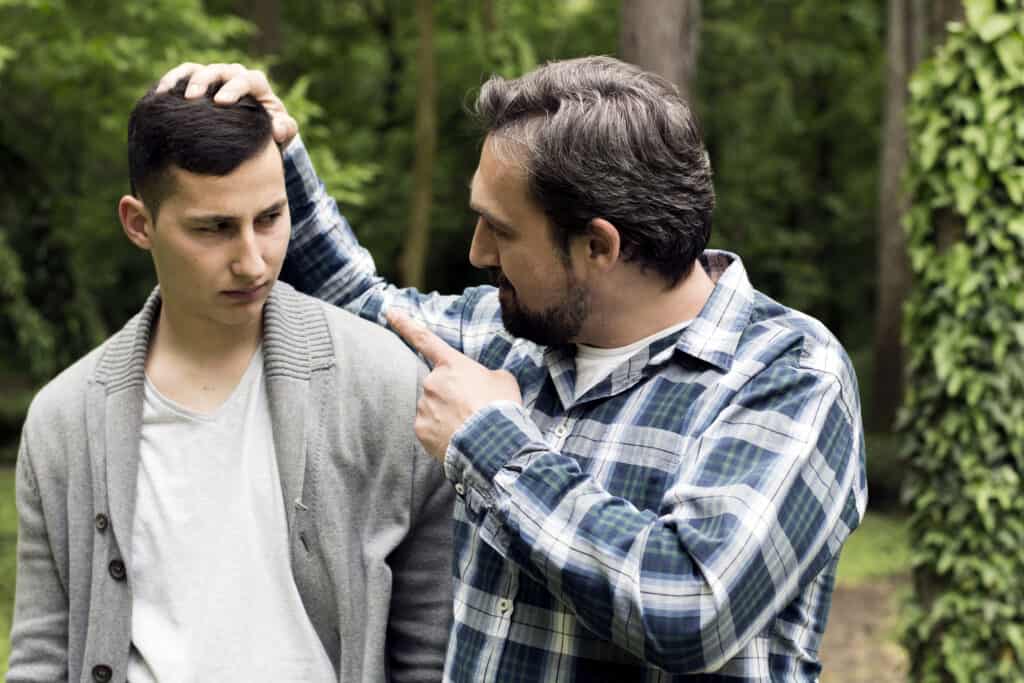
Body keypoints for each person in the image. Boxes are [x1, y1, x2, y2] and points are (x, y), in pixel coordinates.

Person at [169, 55, 868, 682]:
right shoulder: (507, 333)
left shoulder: (787, 372)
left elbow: (689, 604)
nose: (476, 251)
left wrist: (493, 444)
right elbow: (357, 308)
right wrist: (280, 157)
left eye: (500, 228)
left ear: (597, 245)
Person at [8, 78, 453, 683]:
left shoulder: (385, 383)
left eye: (270, 217)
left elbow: (430, 645)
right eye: (213, 229)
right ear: (139, 224)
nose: (252, 259)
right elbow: (42, 654)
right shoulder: (64, 419)